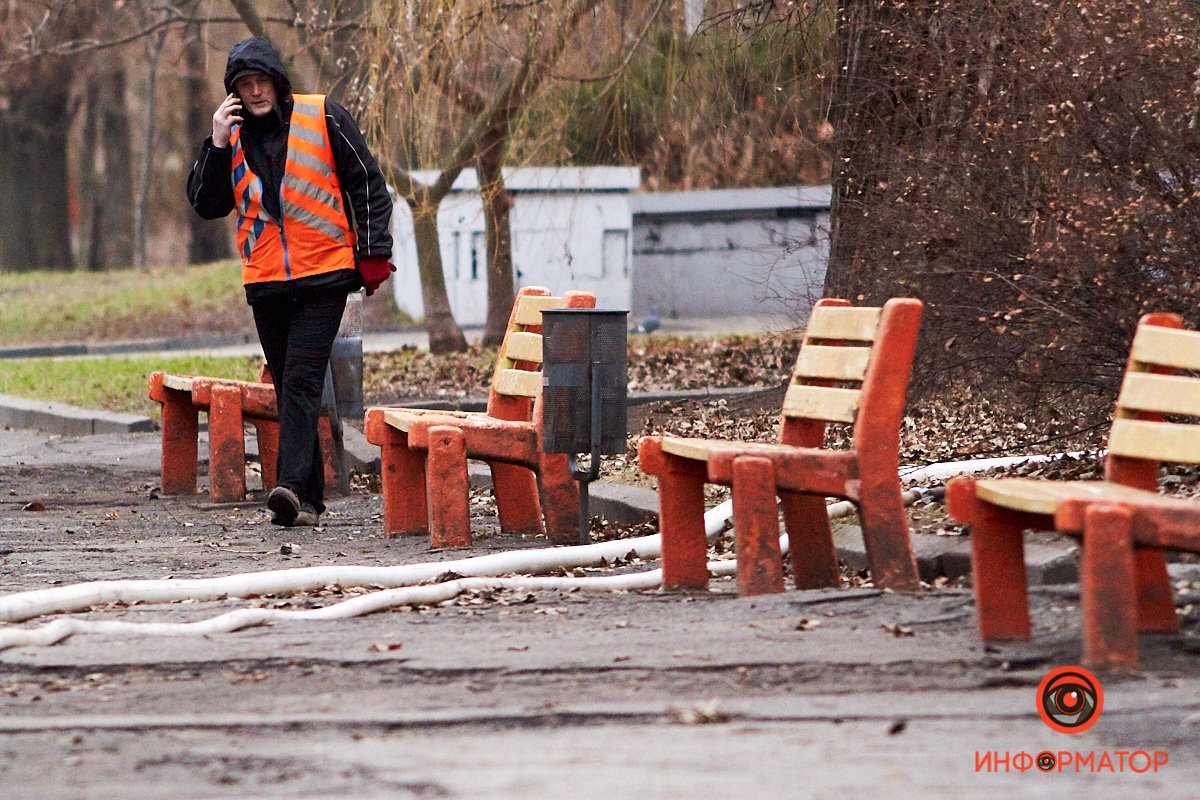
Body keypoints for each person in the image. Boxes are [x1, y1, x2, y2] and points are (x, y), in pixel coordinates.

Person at [187, 36, 394, 527]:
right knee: (288, 383)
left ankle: (288, 490)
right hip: (267, 281)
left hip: (325, 274)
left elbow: (367, 182)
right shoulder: (228, 137)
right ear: (234, 92)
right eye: (245, 84)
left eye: (262, 82)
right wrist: (216, 144)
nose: (256, 92)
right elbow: (205, 201)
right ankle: (308, 496)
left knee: (301, 377)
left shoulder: (323, 116)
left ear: (278, 83)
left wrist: (373, 254)